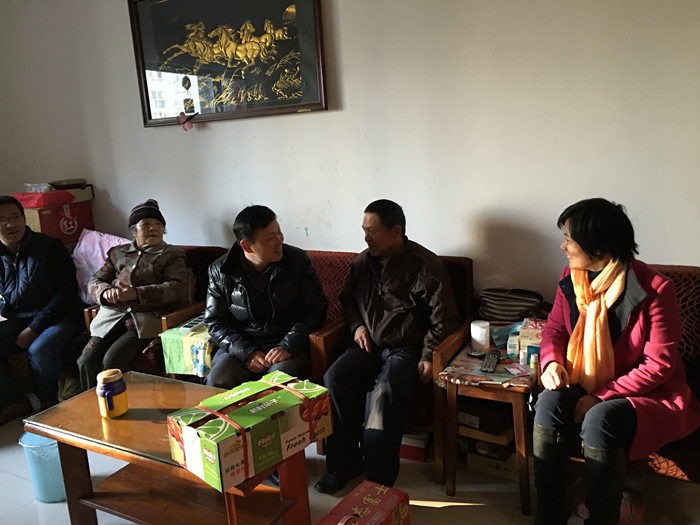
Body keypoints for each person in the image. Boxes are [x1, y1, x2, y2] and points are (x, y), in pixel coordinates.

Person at [533, 198, 700, 525]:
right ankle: (549, 514)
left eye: (569, 239)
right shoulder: (571, 277)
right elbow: (554, 330)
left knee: (601, 418)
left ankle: (602, 518)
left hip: (643, 391)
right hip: (582, 376)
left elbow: (659, 364)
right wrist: (551, 363)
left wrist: (601, 395)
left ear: (597, 247)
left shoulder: (655, 289)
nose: (563, 246)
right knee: (548, 403)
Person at [314, 199, 460, 494]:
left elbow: (444, 318)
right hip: (367, 344)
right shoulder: (362, 262)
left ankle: (378, 481)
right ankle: (343, 465)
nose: (366, 238)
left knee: (385, 392)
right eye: (364, 231)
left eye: (373, 232)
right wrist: (357, 327)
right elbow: (348, 301)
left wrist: (429, 354)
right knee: (335, 378)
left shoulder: (425, 265)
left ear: (396, 231)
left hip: (406, 349)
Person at [204, 205, 328, 389]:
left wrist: (288, 346)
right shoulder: (221, 270)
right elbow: (215, 321)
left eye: (279, 232)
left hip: (287, 343)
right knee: (218, 381)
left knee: (275, 386)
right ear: (246, 246)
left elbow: (316, 309)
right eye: (270, 238)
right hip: (241, 346)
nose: (279, 241)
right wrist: (247, 352)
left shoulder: (297, 261)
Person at [77, 199, 192, 389]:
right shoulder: (118, 253)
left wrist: (136, 294)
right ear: (134, 231)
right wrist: (105, 292)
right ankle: (95, 404)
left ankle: (125, 404)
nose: (153, 228)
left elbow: (175, 289)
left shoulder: (171, 254)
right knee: (86, 360)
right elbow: (95, 280)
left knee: (112, 361)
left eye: (158, 224)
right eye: (146, 224)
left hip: (145, 320)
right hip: (112, 317)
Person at [0, 195, 84, 425]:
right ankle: (15, 401)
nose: (10, 224)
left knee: (40, 349)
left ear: (24, 218)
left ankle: (48, 401)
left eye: (15, 217)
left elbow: (66, 292)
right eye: (2, 220)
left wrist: (34, 328)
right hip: (20, 318)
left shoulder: (49, 246)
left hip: (61, 315)